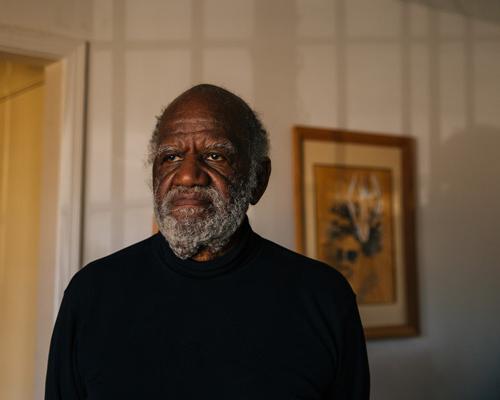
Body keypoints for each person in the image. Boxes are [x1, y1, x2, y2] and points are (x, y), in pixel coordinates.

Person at [45, 84, 370, 399]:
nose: (187, 175)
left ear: (258, 179)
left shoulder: (324, 297)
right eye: (170, 157)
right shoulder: (91, 294)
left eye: (215, 155)